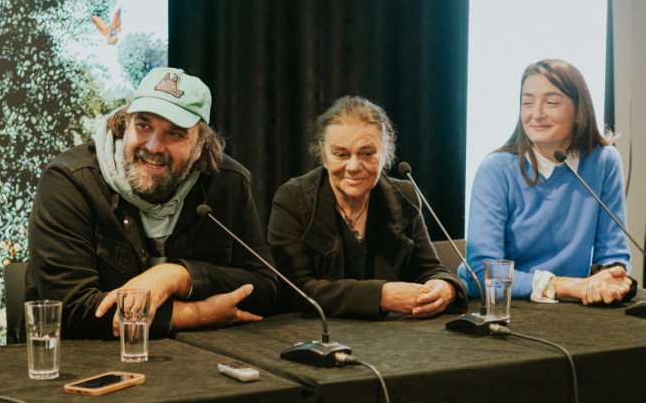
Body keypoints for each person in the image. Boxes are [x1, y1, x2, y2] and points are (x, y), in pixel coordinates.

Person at [26, 67, 277, 338]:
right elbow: (68, 310)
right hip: (87, 364)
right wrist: (196, 314)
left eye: (175, 134)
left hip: (197, 367)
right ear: (125, 124)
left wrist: (177, 277)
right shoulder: (70, 180)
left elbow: (266, 288)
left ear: (199, 148)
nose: (154, 147)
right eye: (143, 126)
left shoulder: (228, 182)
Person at [268, 96, 467, 319]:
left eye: (367, 153)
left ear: (385, 154)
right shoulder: (294, 199)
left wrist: (445, 288)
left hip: (390, 341)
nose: (353, 166)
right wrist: (380, 296)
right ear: (324, 156)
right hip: (317, 337)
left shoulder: (404, 197)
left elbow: (429, 269)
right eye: (341, 154)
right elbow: (294, 290)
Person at [461, 59, 634, 305]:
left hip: (576, 306)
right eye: (527, 102)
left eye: (551, 102)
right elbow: (480, 272)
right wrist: (563, 286)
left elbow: (613, 253)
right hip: (508, 306)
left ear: (579, 111)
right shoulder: (496, 169)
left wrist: (613, 276)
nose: (536, 114)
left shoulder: (604, 161)